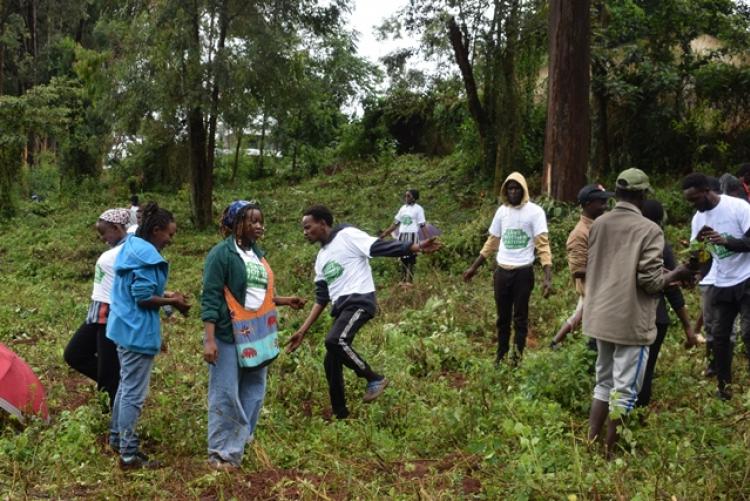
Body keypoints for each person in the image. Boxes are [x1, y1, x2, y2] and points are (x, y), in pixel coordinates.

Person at [285, 205, 440, 420]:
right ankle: (341, 414)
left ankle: (374, 378)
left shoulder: (347, 235)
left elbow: (378, 248)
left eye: (308, 227)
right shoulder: (321, 258)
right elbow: (322, 298)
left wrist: (414, 247)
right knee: (331, 361)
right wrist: (302, 331)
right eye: (303, 229)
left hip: (360, 301)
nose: (305, 232)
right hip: (341, 309)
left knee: (335, 340)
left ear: (322, 223)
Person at [585, 168, 694, 457]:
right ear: (643, 195)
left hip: (600, 316)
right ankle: (611, 453)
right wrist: (676, 274)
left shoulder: (599, 223)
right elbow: (649, 281)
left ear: (617, 194)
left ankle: (590, 443)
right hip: (630, 322)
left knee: (603, 383)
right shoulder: (649, 229)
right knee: (624, 390)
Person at [201, 200, 306, 470]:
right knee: (226, 392)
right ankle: (221, 452)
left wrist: (284, 300)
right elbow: (211, 297)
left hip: (259, 334)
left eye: (261, 221)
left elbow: (257, 295)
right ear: (237, 224)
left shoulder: (257, 254)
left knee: (255, 390)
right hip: (228, 334)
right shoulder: (221, 255)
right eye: (252, 221)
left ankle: (241, 439)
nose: (259, 226)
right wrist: (209, 339)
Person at [107, 202, 191, 469]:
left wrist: (168, 296)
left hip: (122, 326)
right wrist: (174, 303)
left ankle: (117, 438)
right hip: (137, 332)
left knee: (125, 385)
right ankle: (129, 454)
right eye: (169, 234)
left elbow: (138, 288)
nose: (170, 240)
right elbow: (143, 297)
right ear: (156, 231)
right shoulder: (147, 257)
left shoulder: (132, 246)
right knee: (133, 392)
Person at [463, 172, 553, 365]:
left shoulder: (535, 212)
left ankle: (517, 358)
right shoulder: (502, 212)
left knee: (520, 318)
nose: (513, 192)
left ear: (523, 190)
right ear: (505, 191)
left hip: (523, 272)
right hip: (502, 272)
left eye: (516, 188)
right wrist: (473, 268)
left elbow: (542, 245)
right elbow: (492, 242)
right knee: (502, 318)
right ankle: (500, 355)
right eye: (510, 188)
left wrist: (547, 277)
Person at [683, 172, 750, 400]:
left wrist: (726, 241)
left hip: (747, 278)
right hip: (723, 281)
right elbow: (702, 257)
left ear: (706, 191)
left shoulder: (738, 207)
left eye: (694, 199)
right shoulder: (698, 219)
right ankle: (724, 388)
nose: (693, 205)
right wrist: (693, 265)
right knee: (720, 337)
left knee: (748, 332)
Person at [635, 199, 699, 408]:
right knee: (645, 369)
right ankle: (637, 415)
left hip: (634, 317)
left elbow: (673, 285)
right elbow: (673, 286)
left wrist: (689, 328)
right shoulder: (658, 242)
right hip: (653, 318)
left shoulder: (628, 239)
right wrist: (688, 328)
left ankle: (630, 417)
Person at [64, 208, 130, 409]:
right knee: (74, 354)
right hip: (97, 314)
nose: (103, 238)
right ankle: (117, 384)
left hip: (110, 315)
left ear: (117, 228)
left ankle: (111, 408)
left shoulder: (128, 250)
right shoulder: (117, 249)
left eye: (104, 233)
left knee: (108, 371)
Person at [550, 184, 612, 349]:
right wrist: (610, 271)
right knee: (595, 336)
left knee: (579, 316)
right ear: (588, 204)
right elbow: (578, 270)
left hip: (601, 290)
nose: (605, 206)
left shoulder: (600, 226)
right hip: (593, 290)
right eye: (601, 202)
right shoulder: (580, 234)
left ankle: (555, 343)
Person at [380, 189, 427, 283]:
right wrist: (385, 233)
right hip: (402, 235)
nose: (406, 198)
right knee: (402, 257)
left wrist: (428, 238)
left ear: (414, 197)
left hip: (412, 235)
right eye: (405, 196)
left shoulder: (418, 209)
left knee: (411, 258)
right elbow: (395, 224)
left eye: (408, 196)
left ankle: (409, 281)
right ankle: (402, 280)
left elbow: (422, 225)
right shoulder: (402, 208)